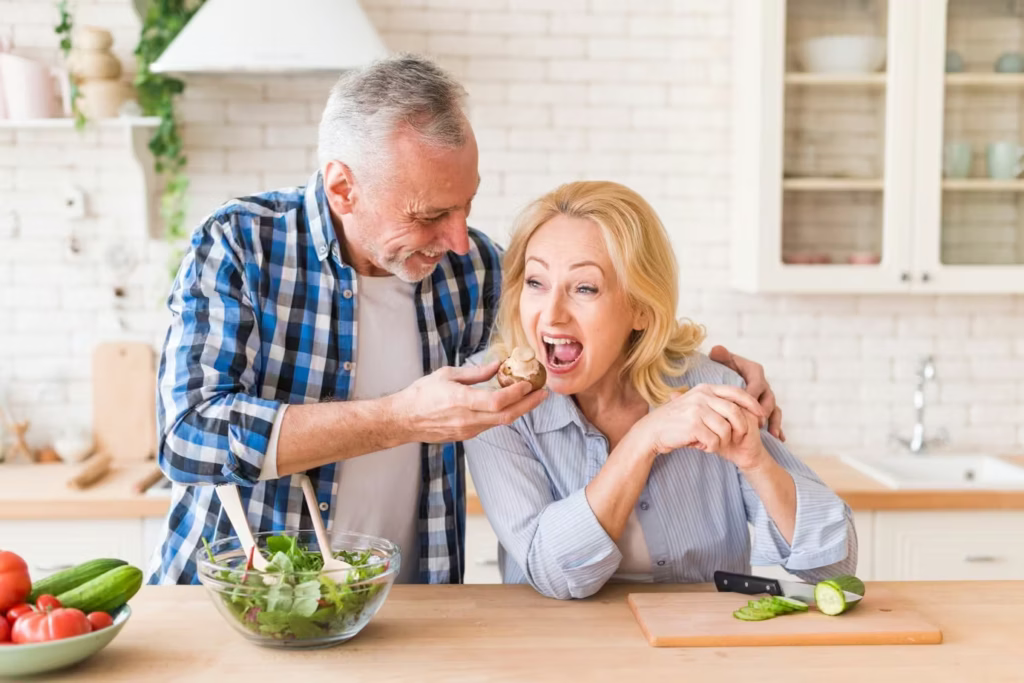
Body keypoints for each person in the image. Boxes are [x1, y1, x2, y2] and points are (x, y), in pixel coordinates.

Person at [147, 54, 781, 586]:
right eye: (429, 215)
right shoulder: (242, 245)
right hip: (243, 599)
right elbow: (186, 438)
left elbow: (583, 335)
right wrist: (400, 418)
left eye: (466, 206)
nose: (456, 238)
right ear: (344, 189)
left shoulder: (472, 268)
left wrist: (709, 374)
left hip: (409, 605)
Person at [465, 181, 856, 600]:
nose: (552, 314)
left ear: (640, 309)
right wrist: (643, 440)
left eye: (584, 288)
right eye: (536, 283)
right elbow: (553, 573)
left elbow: (833, 566)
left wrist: (757, 463)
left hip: (700, 647)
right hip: (558, 651)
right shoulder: (494, 401)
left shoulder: (711, 387)